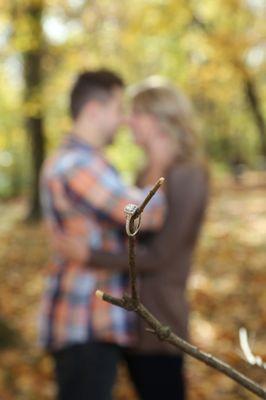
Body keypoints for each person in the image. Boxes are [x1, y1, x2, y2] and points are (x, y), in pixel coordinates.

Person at [56, 77, 209, 399]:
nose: (127, 120)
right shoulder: (142, 175)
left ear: (157, 120)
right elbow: (129, 238)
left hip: (160, 320)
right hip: (125, 319)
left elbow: (162, 256)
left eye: (135, 113)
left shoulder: (189, 174)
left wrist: (90, 255)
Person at [39, 70, 166, 400]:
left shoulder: (87, 161)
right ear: (94, 110)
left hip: (90, 323)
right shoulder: (75, 164)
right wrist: (164, 162)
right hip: (83, 325)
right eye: (117, 108)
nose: (124, 120)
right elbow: (146, 213)